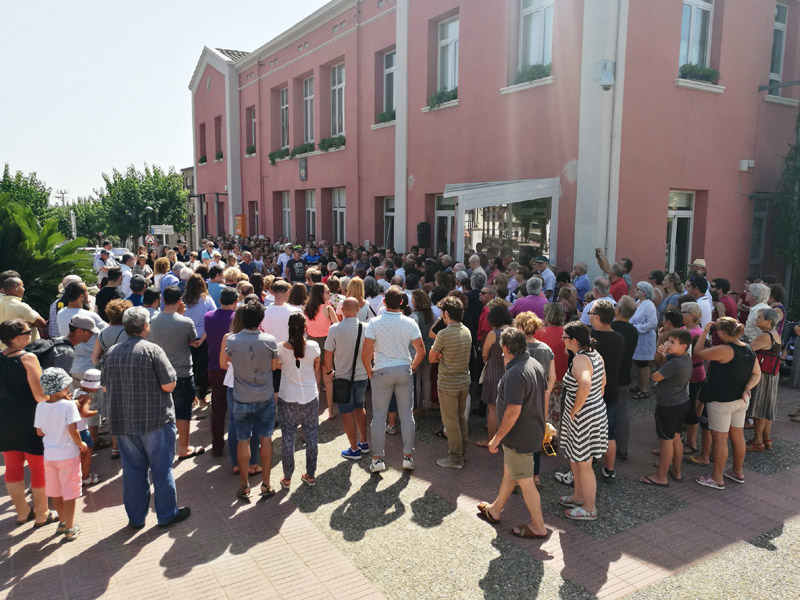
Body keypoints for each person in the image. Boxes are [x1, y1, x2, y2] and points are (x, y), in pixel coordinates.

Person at [102, 307, 190, 528]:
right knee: (162, 470)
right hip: (155, 421)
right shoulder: (152, 350)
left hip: (123, 421)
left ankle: (136, 518)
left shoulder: (111, 352)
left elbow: (105, 387)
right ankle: (167, 514)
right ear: (145, 326)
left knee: (133, 471)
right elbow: (169, 384)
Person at [477, 328, 550, 539]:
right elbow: (544, 395)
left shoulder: (515, 373)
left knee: (526, 482)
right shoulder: (534, 364)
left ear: (506, 348)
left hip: (519, 437)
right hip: (530, 431)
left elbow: (513, 410)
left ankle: (538, 526)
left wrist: (497, 437)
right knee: (510, 472)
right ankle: (495, 510)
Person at [362, 285, 425, 473]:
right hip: (404, 369)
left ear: (384, 302)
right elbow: (421, 350)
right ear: (401, 302)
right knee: (407, 414)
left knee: (379, 416)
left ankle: (378, 459)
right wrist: (412, 368)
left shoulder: (374, 323)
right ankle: (408, 457)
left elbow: (366, 354)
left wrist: (370, 372)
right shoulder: (409, 322)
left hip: (381, 370)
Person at [694, 317, 760, 490]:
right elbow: (756, 374)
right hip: (741, 400)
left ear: (723, 333)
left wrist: (705, 332)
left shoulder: (724, 349)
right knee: (737, 436)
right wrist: (747, 387)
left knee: (720, 438)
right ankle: (737, 471)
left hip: (722, 400)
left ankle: (717, 478)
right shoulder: (748, 348)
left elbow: (698, 352)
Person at [0, 318, 55, 528]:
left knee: (12, 467)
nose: (30, 334)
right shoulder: (28, 358)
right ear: (17, 337)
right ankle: (42, 513)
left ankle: (22, 512)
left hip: (5, 420)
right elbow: (40, 395)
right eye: (27, 331)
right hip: (30, 419)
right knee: (38, 467)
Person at [221, 300, 278, 499]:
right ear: (261, 318)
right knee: (266, 438)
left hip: (241, 396)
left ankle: (244, 485)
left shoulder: (232, 340)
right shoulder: (270, 340)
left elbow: (223, 363)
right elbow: (274, 367)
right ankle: (266, 483)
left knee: (242, 440)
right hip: (264, 395)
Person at [559, 321, 607, 521]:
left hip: (582, 416)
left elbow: (585, 384)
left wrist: (575, 409)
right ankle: (578, 496)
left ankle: (589, 508)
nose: (562, 340)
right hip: (594, 411)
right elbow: (603, 383)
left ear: (574, 340)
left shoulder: (580, 360)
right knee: (576, 458)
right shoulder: (595, 355)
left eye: (564, 337)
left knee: (584, 462)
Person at [149, 286, 204, 460]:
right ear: (180, 301)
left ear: (163, 300)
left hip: (159, 373)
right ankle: (184, 448)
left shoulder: (153, 320)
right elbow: (191, 340)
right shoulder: (185, 322)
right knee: (183, 411)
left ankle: (162, 448)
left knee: (162, 412)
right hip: (182, 373)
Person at [34, 367, 87, 541]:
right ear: (61, 387)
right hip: (67, 455)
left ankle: (62, 522)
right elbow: (74, 430)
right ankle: (70, 529)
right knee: (70, 493)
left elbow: (40, 432)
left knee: (56, 492)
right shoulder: (68, 405)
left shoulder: (40, 406)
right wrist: (81, 444)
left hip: (49, 456)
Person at [639, 330, 693, 487]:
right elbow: (661, 361)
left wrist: (659, 367)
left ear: (683, 346)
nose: (668, 344)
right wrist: (660, 354)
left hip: (668, 405)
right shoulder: (683, 358)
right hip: (681, 402)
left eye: (672, 342)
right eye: (668, 341)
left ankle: (661, 476)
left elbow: (655, 376)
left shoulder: (675, 363)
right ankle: (676, 470)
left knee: (666, 441)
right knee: (676, 438)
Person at [274, 312, 320, 489]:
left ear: (289, 327)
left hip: (288, 396)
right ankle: (311, 474)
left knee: (287, 437)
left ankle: (287, 477)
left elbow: (277, 366)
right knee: (311, 436)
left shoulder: (281, 348)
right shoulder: (314, 346)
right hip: (310, 395)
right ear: (305, 327)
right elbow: (316, 365)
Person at [429, 296, 473, 468]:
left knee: (451, 422)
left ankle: (455, 458)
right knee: (460, 419)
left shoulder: (444, 333)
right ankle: (462, 453)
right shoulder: (466, 331)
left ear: (447, 313)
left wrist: (440, 355)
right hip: (463, 381)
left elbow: (432, 358)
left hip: (448, 383)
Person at [513, 311, 555, 484]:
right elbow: (552, 377)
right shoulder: (546, 349)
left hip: (519, 399)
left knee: (516, 438)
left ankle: (517, 478)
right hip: (540, 400)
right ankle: (535, 476)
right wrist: (545, 393)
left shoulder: (516, 349)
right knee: (536, 437)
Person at [325, 298, 369, 460]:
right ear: (358, 310)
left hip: (342, 376)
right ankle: (364, 442)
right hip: (362, 375)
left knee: (346, 411)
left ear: (342, 310)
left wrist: (329, 371)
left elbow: (328, 354)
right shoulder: (366, 327)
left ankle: (354, 448)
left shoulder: (335, 329)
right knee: (360, 407)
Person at [587, 300, 625, 482]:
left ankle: (585, 465)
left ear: (597, 317)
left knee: (586, 431)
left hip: (590, 392)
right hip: (611, 390)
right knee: (609, 432)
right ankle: (610, 469)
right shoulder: (619, 337)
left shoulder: (589, 338)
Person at [205, 287, 239, 456]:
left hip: (214, 367)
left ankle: (217, 444)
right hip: (233, 367)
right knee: (235, 408)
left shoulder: (208, 317)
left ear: (220, 301)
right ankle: (237, 445)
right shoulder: (237, 318)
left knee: (218, 409)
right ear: (236, 301)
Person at [477, 305, 514, 448]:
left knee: (493, 408)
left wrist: (488, 360)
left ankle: (491, 440)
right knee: (510, 407)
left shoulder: (494, 334)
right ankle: (508, 438)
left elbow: (484, 353)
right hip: (511, 371)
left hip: (493, 371)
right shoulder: (515, 332)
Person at [747, 308, 781, 452]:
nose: (756, 320)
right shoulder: (775, 334)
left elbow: (748, 350)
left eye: (759, 317)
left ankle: (757, 441)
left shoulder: (765, 336)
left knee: (759, 408)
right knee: (767, 407)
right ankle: (766, 439)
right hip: (771, 374)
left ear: (768, 321)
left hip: (763, 375)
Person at [305, 282, 339, 418]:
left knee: (315, 380)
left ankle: (313, 411)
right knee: (328, 379)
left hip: (311, 343)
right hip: (326, 343)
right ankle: (330, 410)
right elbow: (337, 327)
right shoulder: (328, 309)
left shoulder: (306, 309)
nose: (329, 293)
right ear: (320, 294)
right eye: (326, 291)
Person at [611, 296, 639, 460]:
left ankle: (602, 449)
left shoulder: (612, 327)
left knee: (605, 414)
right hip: (624, 375)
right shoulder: (633, 330)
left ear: (618, 310)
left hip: (609, 377)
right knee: (622, 413)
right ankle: (622, 448)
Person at [182, 274, 217, 403]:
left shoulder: (183, 300)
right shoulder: (207, 300)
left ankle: (191, 396)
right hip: (204, 336)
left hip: (188, 338)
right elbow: (212, 319)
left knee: (189, 367)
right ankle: (202, 395)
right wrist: (202, 339)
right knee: (203, 367)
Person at [629, 282, 658, 400]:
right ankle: (639, 385)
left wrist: (636, 328)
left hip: (645, 339)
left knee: (643, 364)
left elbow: (653, 323)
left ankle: (644, 389)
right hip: (638, 338)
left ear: (644, 292)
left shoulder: (649, 305)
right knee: (638, 362)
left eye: (638, 289)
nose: (635, 290)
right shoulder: (638, 302)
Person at [72, 369, 101, 486]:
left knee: (77, 455)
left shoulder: (75, 392)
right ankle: (85, 477)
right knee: (88, 453)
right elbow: (84, 413)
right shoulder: (87, 397)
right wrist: (96, 412)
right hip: (82, 430)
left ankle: (77, 476)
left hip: (74, 429)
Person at [0, 277, 46, 349]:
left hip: (4, 350)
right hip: (25, 350)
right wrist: (28, 323)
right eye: (22, 286)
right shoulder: (20, 306)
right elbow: (42, 324)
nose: (24, 289)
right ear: (16, 287)